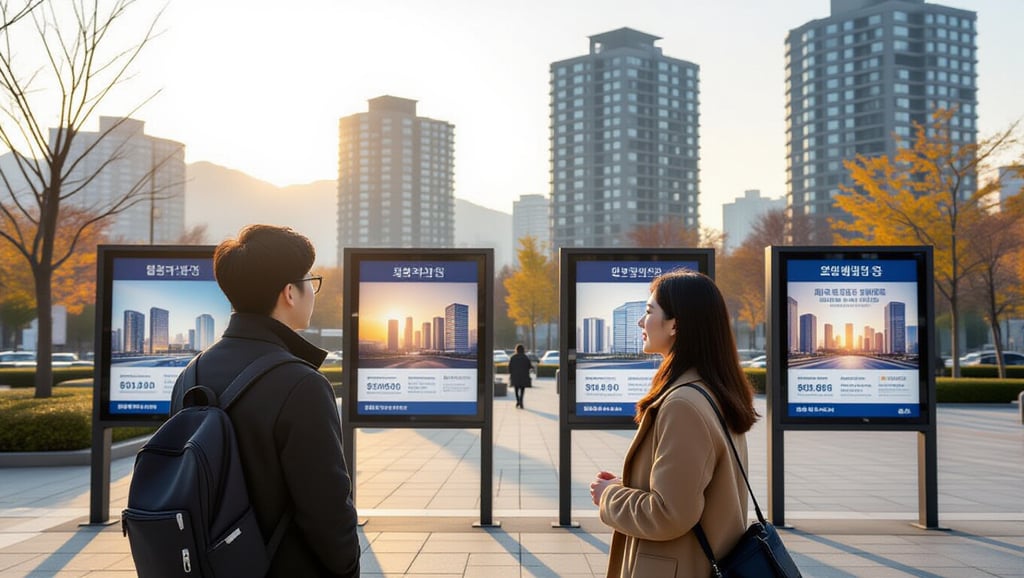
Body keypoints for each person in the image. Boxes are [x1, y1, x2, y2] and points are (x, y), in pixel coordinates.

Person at [170, 224, 360, 577]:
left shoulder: (191, 375)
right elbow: (326, 508)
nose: (312, 291)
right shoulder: (303, 384)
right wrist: (348, 566)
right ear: (290, 293)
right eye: (310, 281)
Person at [589, 270, 759, 577]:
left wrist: (609, 497)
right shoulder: (712, 390)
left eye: (649, 311)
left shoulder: (683, 405)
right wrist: (626, 485)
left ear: (675, 325)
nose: (641, 322)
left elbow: (669, 514)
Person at [508, 343, 532, 409]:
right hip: (524, 376)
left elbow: (510, 367)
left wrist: (511, 373)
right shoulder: (525, 357)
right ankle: (521, 401)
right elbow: (529, 366)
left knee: (516, 390)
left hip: (515, 376)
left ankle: (518, 401)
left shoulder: (513, 357)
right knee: (522, 390)